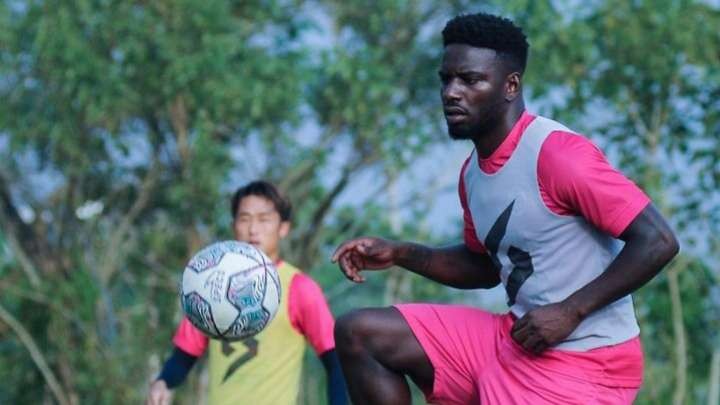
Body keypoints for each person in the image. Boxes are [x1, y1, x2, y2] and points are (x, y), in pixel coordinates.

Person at [331, 12, 679, 405]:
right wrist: (400, 253)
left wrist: (570, 311)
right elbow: (483, 267)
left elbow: (658, 240)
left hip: (587, 363)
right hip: (514, 340)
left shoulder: (557, 154)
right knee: (360, 332)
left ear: (511, 85)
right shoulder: (472, 176)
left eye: (470, 79)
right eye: (446, 79)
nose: (451, 92)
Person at [147, 181, 347, 405]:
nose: (253, 229)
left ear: (283, 227)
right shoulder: (210, 285)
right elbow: (184, 355)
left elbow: (336, 361)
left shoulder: (299, 287)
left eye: (264, 219)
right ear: (234, 225)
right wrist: (163, 382)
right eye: (244, 219)